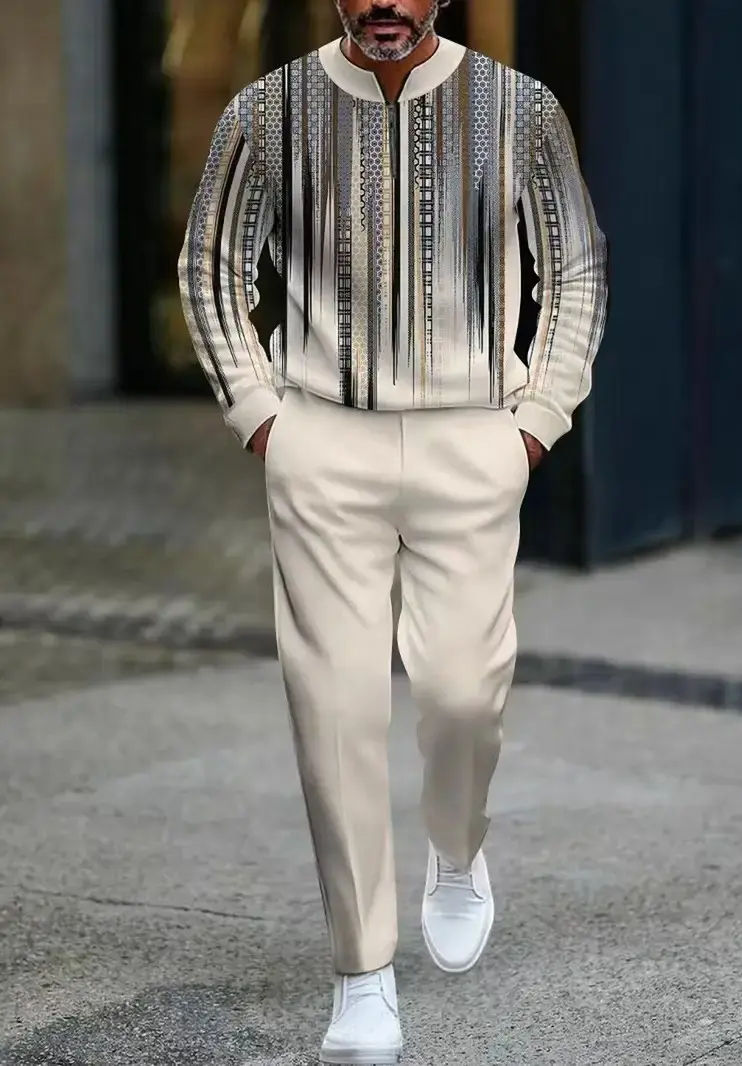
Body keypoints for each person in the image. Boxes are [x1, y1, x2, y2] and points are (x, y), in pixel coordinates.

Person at [178, 1, 607, 1061]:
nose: (384, 1)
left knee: (461, 694)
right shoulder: (264, 111)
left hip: (474, 440)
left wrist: (537, 423)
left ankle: (456, 849)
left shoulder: (521, 109)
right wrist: (262, 418)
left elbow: (576, 270)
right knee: (334, 708)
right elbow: (210, 269)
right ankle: (361, 974)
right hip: (321, 443)